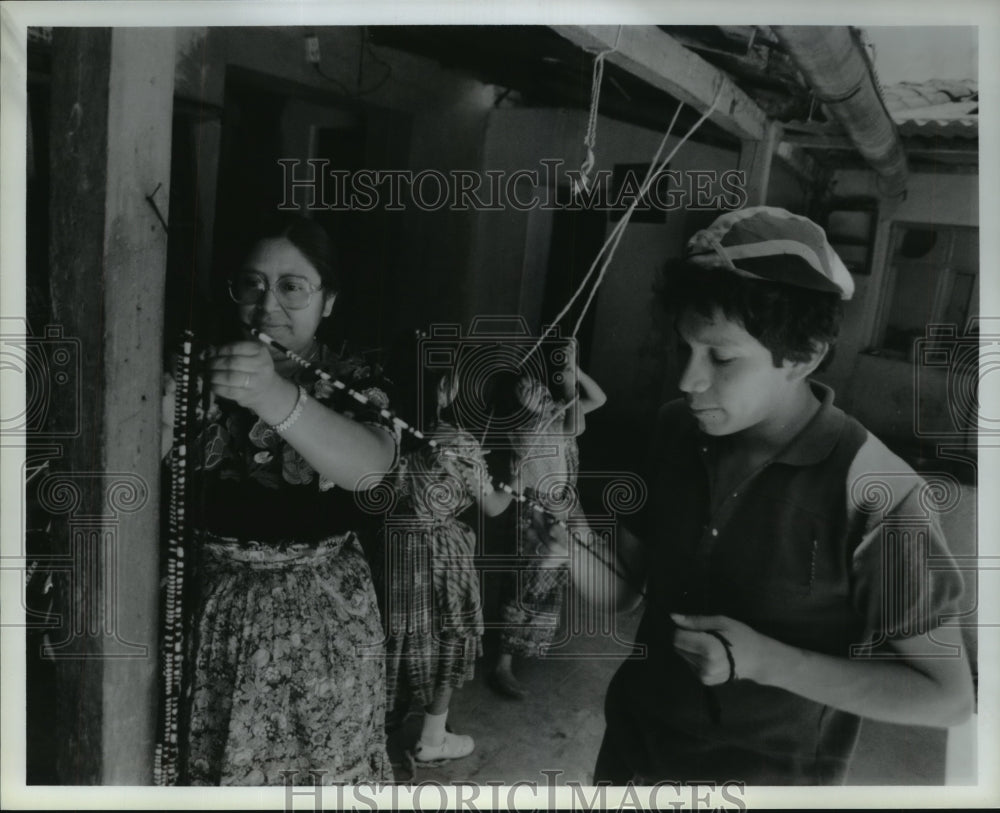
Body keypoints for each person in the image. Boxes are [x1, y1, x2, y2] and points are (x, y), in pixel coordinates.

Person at [534, 206, 973, 784]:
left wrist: (767, 661)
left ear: (805, 353)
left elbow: (946, 698)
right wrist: (574, 542)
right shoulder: (675, 429)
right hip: (634, 752)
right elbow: (626, 593)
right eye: (684, 348)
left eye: (721, 358)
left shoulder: (877, 493)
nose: (688, 381)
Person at [161, 215, 398, 785]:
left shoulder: (353, 380)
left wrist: (272, 393)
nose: (267, 305)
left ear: (329, 301)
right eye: (252, 284)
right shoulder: (199, 368)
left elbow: (370, 471)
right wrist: (161, 412)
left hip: (318, 630)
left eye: (293, 287)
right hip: (206, 614)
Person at [378, 334, 513, 761]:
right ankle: (432, 741)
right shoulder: (456, 441)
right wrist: (515, 482)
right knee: (448, 641)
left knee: (394, 641)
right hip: (440, 555)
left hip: (391, 551)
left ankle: (378, 731)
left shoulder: (379, 433)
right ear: (445, 388)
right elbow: (492, 507)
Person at [490, 346, 606, 699]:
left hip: (562, 507)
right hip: (537, 514)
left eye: (538, 385)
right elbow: (577, 423)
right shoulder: (529, 431)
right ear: (516, 404)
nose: (539, 390)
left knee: (548, 583)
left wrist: (576, 371)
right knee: (526, 586)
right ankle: (502, 665)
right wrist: (570, 383)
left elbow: (598, 399)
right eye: (528, 390)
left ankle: (520, 651)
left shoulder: (553, 414)